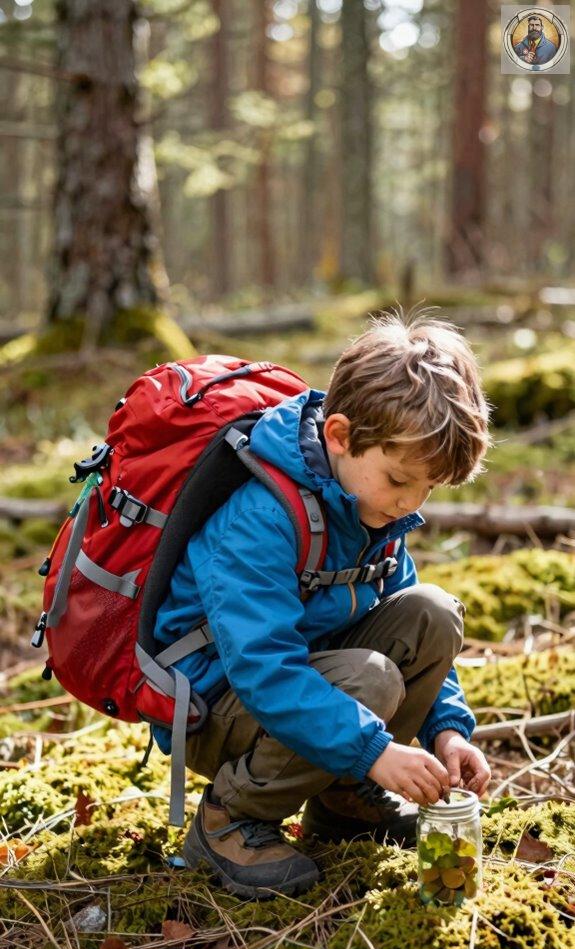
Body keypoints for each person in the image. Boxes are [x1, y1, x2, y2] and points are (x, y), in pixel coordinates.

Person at [154, 308, 492, 900]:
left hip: (305, 686)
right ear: (339, 436)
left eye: (427, 488)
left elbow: (403, 609)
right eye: (398, 479)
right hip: (215, 706)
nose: (411, 501)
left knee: (433, 613)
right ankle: (227, 820)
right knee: (371, 681)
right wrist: (375, 749)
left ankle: (342, 801)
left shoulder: (371, 506)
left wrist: (447, 732)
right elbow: (264, 669)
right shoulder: (262, 518)